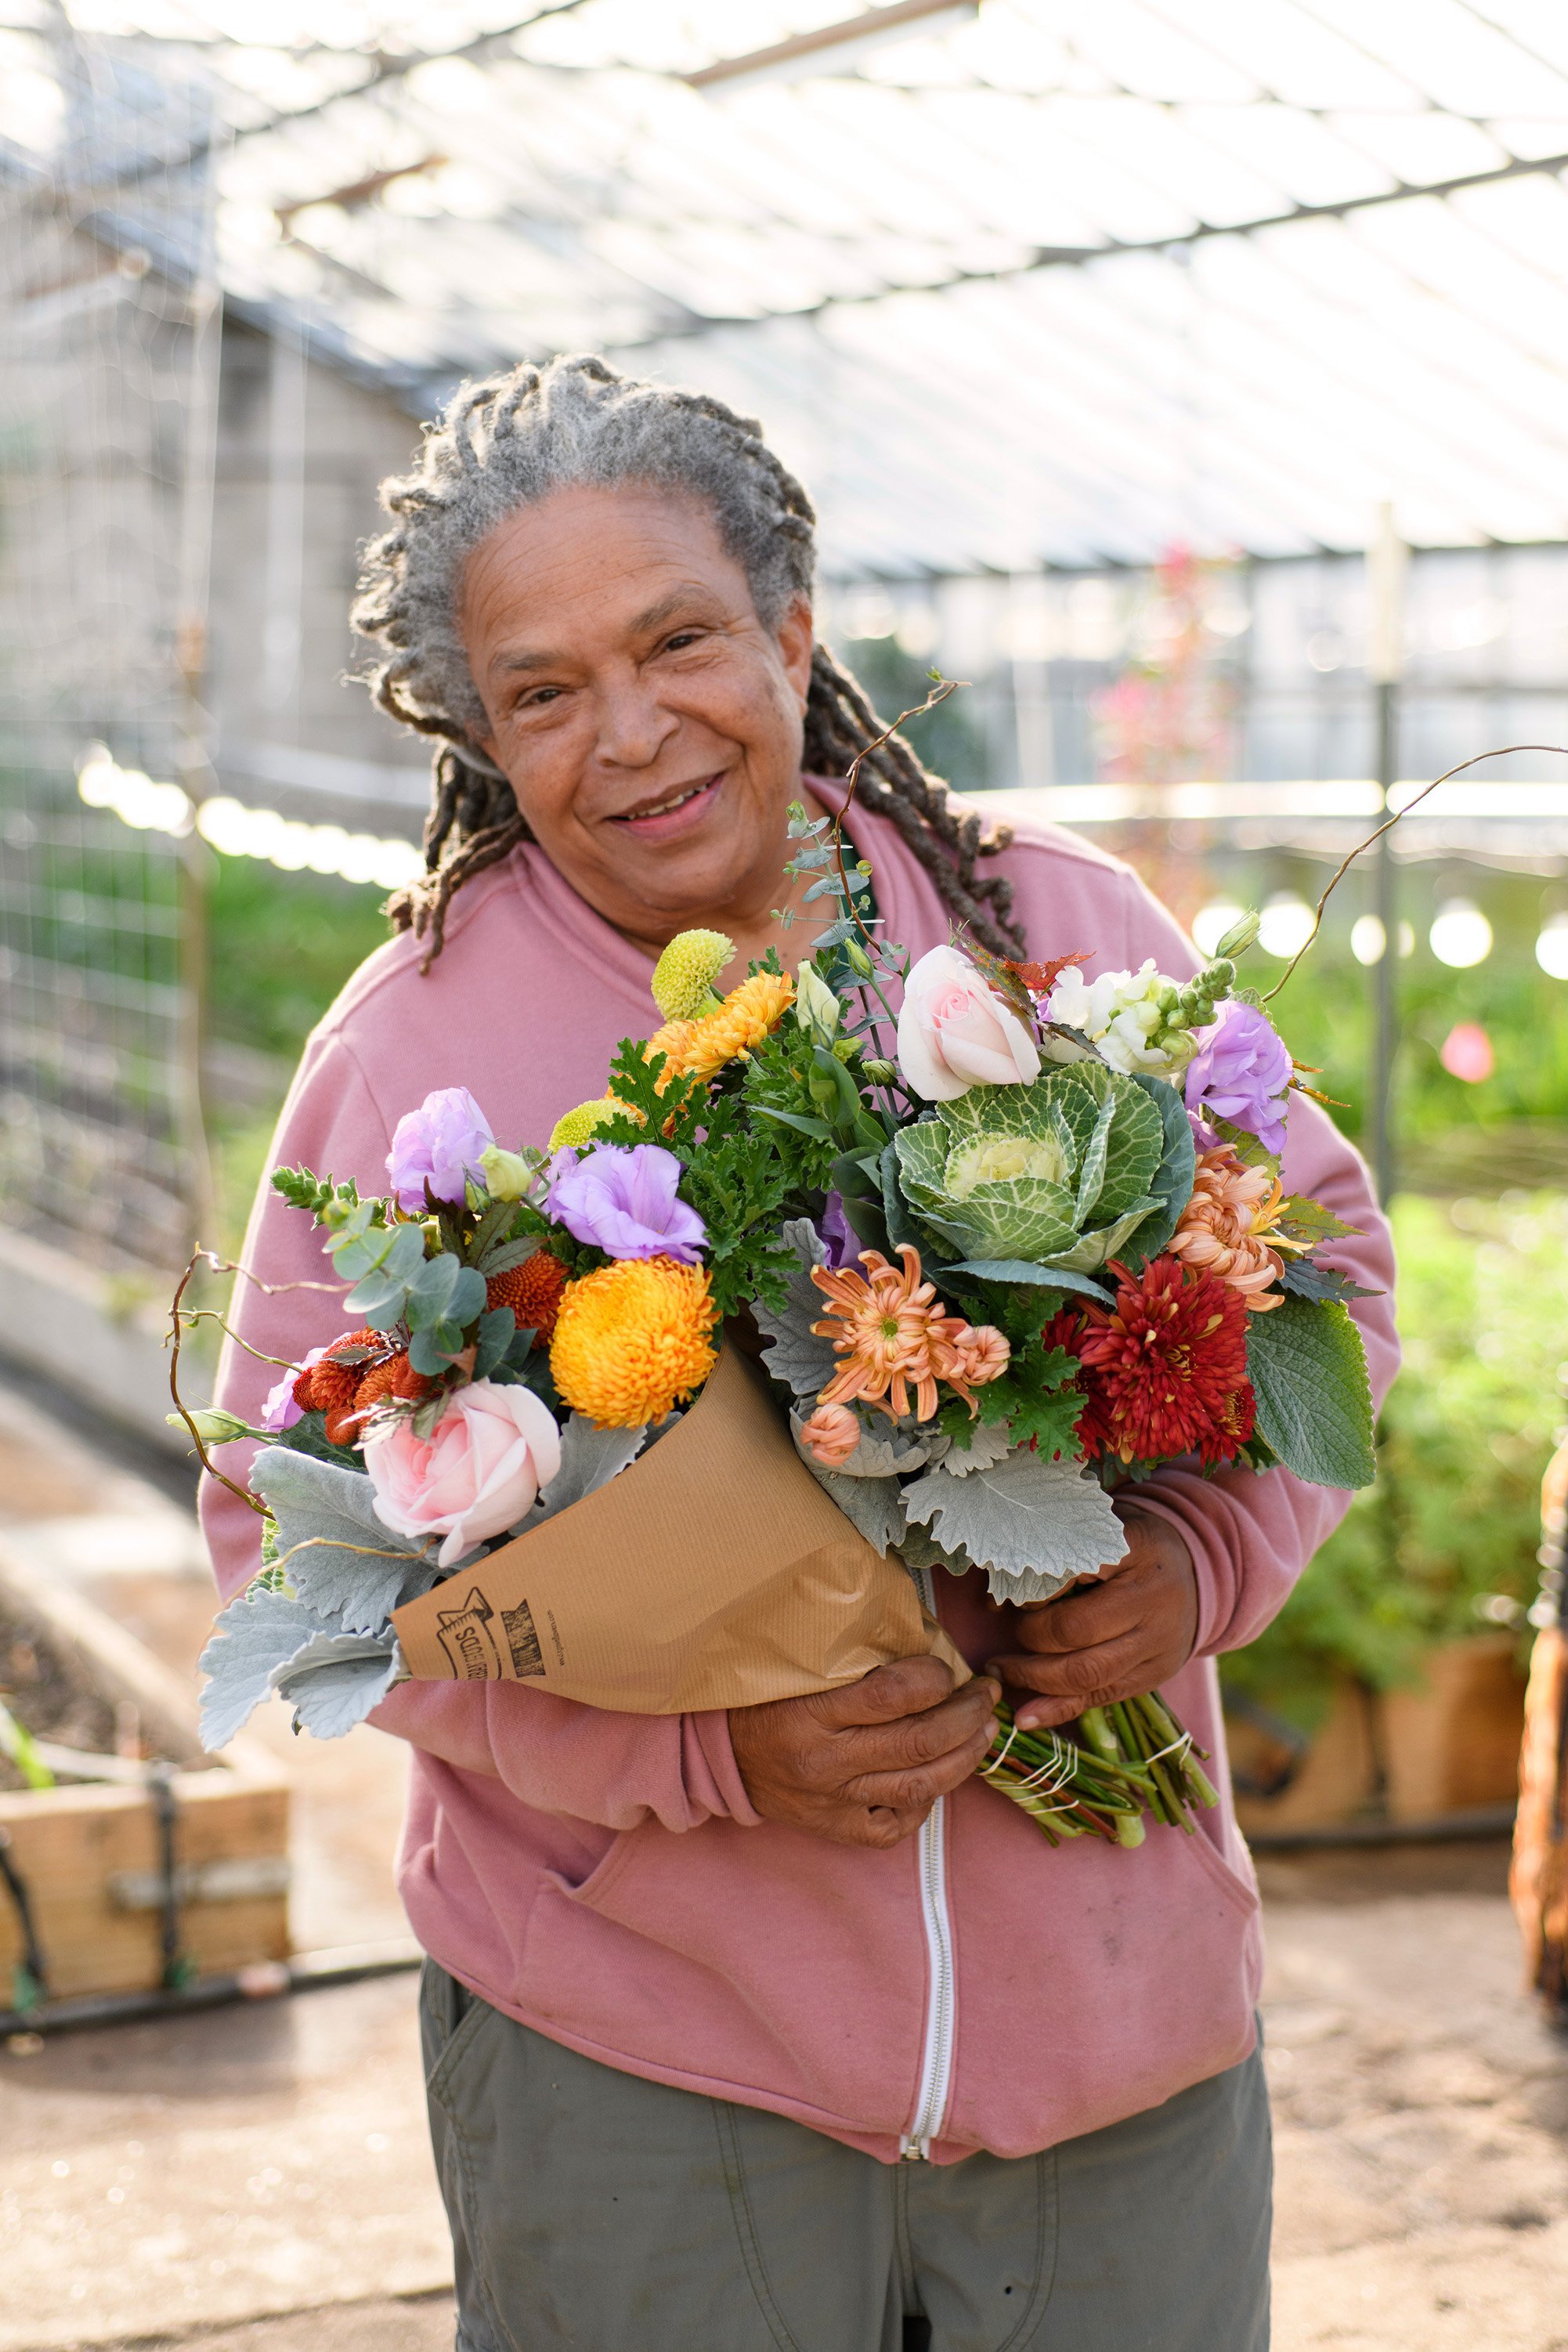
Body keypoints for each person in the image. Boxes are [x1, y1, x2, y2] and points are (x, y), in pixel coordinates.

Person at [203, 353, 1398, 2352]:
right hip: (649, 2067)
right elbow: (288, 1553)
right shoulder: (417, 1054)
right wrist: (689, 1746)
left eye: (676, 638)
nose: (630, 731)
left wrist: (1194, 1566)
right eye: (543, 690)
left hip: (1111, 2049)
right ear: (483, 734)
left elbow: (1323, 1271)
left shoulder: (1047, 931)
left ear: (788, 626)